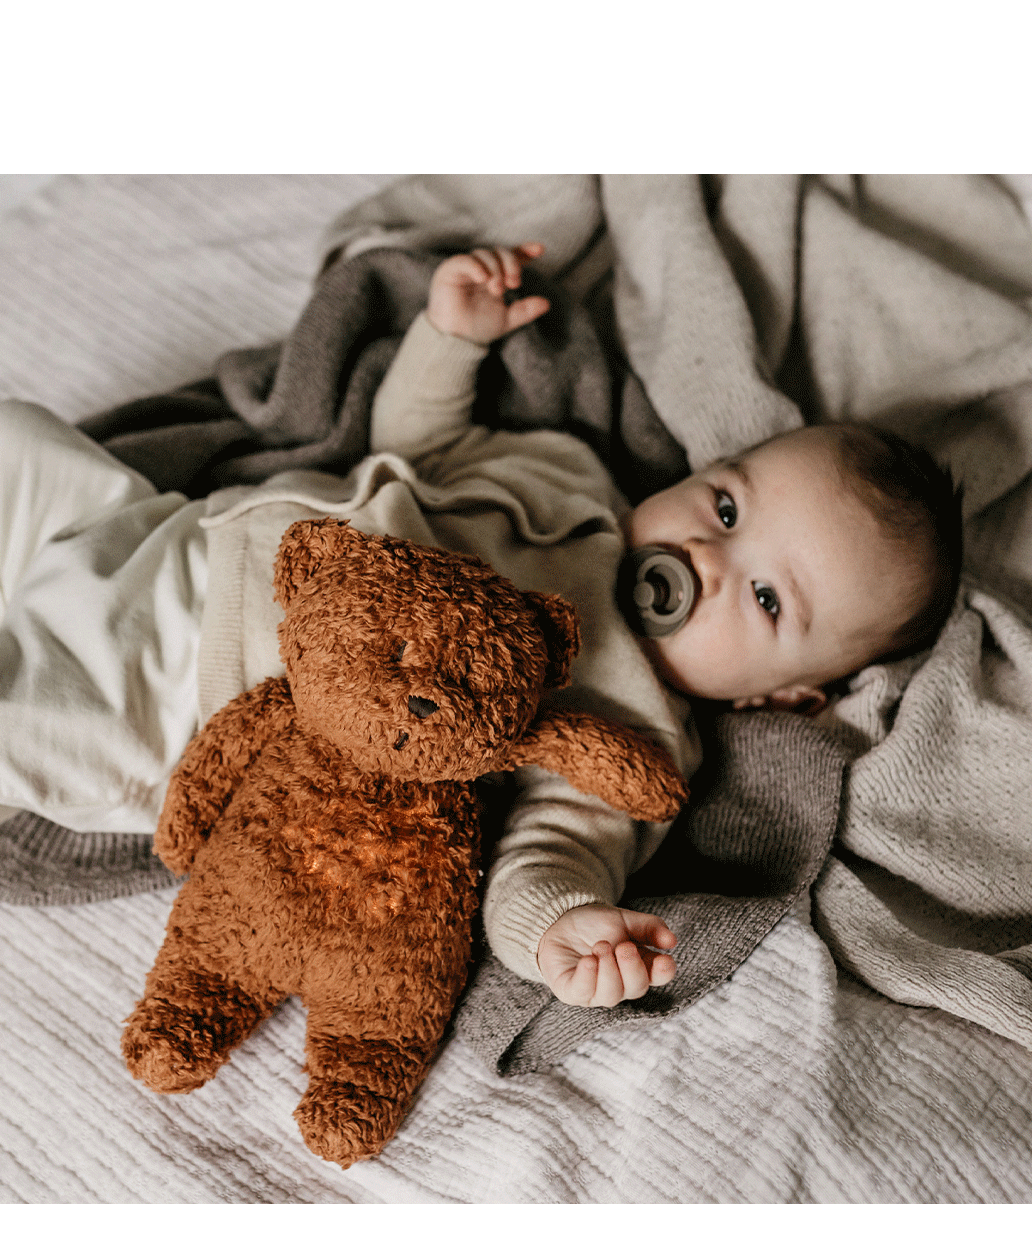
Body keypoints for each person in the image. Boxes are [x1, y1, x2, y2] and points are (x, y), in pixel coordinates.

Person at [0, 243, 963, 1009]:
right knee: (23, 441)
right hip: (175, 539)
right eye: (723, 508)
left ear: (781, 696)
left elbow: (550, 854)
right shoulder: (569, 475)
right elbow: (421, 444)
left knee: (29, 714)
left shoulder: (634, 737)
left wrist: (564, 931)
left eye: (764, 600)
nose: (709, 561)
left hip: (195, 698)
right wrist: (450, 342)